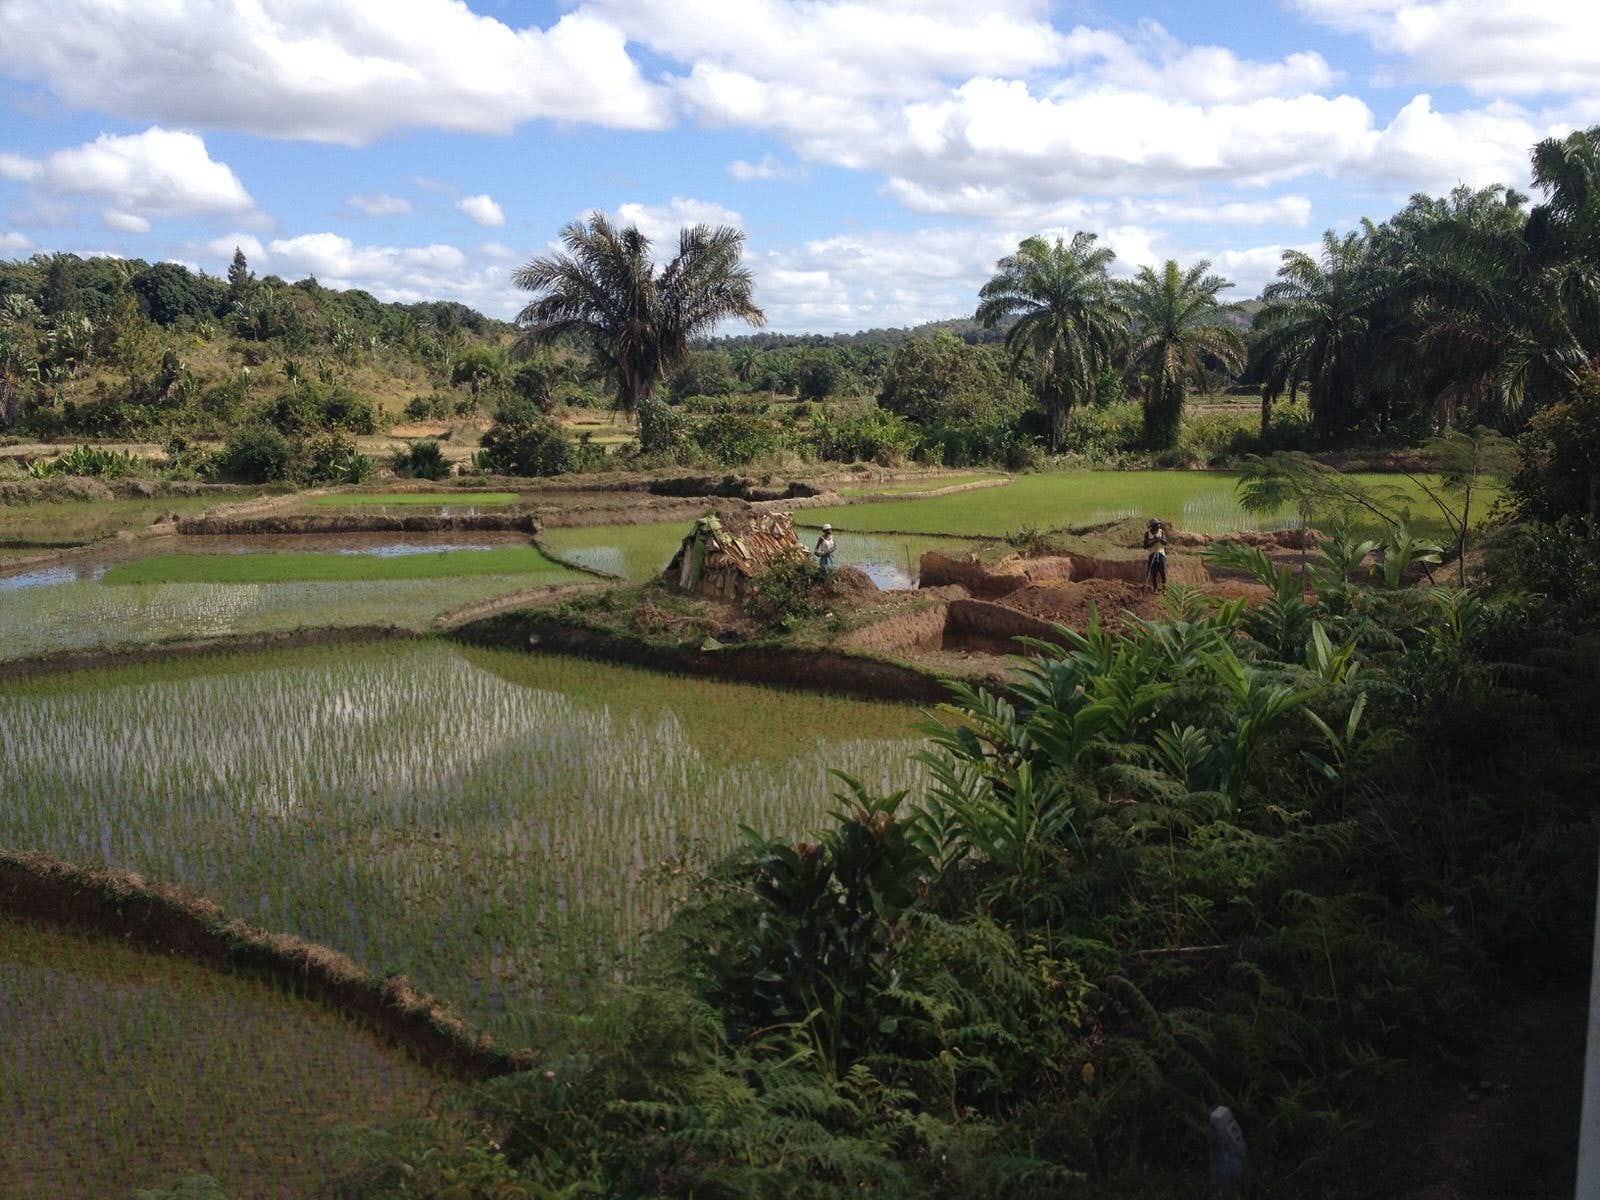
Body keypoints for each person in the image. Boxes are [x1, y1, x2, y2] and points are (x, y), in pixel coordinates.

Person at [1143, 518, 1168, 591]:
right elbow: (1145, 546)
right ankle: (1155, 588)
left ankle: (1164, 588)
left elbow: (1166, 542)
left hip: (1161, 554)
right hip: (1152, 554)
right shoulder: (1147, 534)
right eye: (1157, 525)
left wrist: (1160, 540)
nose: (1159, 526)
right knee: (1154, 573)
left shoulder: (1161, 532)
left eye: (1159, 524)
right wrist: (1154, 541)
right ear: (1152, 526)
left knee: (1162, 572)